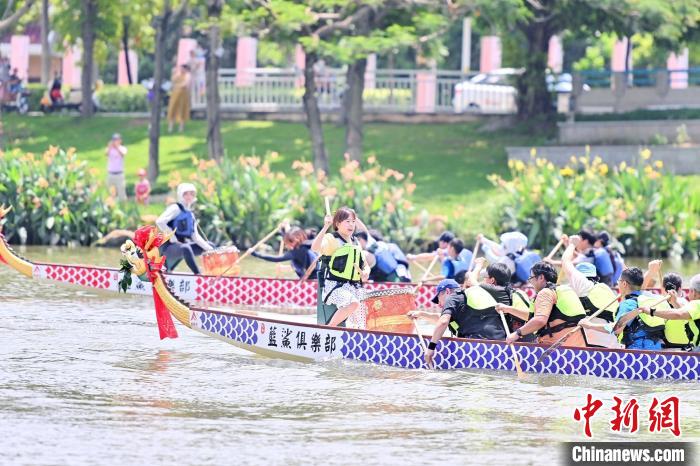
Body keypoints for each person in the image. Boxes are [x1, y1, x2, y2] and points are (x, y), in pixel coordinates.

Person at [500, 261, 588, 347]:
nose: (530, 282)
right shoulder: (563, 290)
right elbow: (534, 316)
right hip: (578, 347)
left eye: (531, 278)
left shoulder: (546, 292)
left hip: (557, 349)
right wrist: (507, 309)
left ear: (541, 277)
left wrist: (517, 333)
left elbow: (539, 320)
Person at [311, 206, 371, 328]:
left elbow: (365, 265)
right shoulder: (331, 239)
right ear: (337, 223)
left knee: (368, 307)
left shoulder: (355, 242)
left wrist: (365, 273)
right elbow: (315, 248)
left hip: (353, 286)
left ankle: (357, 333)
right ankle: (329, 328)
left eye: (353, 222)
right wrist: (325, 227)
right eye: (347, 221)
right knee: (353, 303)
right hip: (334, 286)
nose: (351, 225)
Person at [579, 267, 666, 350]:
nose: (617, 283)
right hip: (655, 346)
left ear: (624, 284)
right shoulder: (647, 297)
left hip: (638, 350)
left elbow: (617, 328)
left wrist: (589, 325)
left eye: (619, 281)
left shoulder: (628, 304)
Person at [156, 183, 213, 274]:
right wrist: (173, 238)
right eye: (186, 194)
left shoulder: (190, 214)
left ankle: (213, 272)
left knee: (210, 245)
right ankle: (198, 274)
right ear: (180, 195)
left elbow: (196, 237)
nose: (189, 196)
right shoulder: (175, 208)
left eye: (191, 194)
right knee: (186, 248)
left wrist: (210, 249)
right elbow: (160, 221)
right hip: (168, 247)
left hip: (181, 246)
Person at [560, 235, 619, 322]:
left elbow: (565, 261)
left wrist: (572, 244)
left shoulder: (582, 283)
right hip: (610, 330)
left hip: (594, 332)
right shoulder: (603, 287)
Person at [640, 274, 700, 351]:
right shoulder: (689, 305)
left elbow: (678, 314)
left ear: (694, 292)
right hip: (688, 345)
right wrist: (674, 302)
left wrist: (651, 311)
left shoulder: (696, 304)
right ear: (680, 288)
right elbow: (684, 313)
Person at [252, 226, 318, 278]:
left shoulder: (295, 252)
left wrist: (256, 254)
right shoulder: (306, 244)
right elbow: (291, 235)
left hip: (313, 279)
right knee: (294, 263)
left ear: (295, 241)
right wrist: (282, 230)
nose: (285, 245)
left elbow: (275, 259)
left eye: (286, 243)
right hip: (316, 274)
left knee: (294, 262)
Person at [167, 64, 191, 133]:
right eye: (181, 68)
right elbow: (172, 81)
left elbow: (185, 84)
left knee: (182, 110)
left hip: (183, 95)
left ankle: (181, 127)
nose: (181, 70)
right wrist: (173, 73)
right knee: (172, 109)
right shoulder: (177, 75)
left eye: (183, 69)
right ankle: (170, 126)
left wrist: (176, 86)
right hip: (175, 95)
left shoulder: (187, 75)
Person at [105, 133, 127, 201]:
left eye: (117, 140)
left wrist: (117, 147)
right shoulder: (110, 149)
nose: (115, 142)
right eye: (114, 140)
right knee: (109, 193)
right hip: (110, 174)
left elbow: (122, 154)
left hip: (119, 174)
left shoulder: (122, 148)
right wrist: (109, 147)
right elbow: (106, 154)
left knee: (121, 193)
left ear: (120, 141)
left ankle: (123, 208)